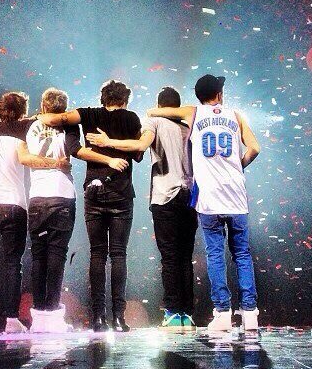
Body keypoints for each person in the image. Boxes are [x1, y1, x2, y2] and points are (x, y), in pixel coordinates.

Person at [0, 89, 129, 333]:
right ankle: (51, 314)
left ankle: (39, 313)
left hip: (37, 198)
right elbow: (75, 150)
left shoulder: (28, 125)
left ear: (43, 106)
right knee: (57, 255)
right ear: (64, 108)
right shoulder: (69, 126)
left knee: (38, 255)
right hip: (62, 195)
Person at [147, 75, 261, 340]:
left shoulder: (193, 112)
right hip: (236, 195)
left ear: (198, 96)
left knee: (215, 254)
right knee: (242, 254)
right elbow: (255, 148)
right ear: (219, 94)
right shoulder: (236, 115)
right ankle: (250, 313)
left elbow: (157, 112)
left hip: (209, 197)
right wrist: (238, 167)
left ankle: (222, 314)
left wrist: (157, 111)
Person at [86, 86, 198, 331]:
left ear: (159, 105)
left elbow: (140, 146)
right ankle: (187, 314)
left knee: (169, 257)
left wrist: (108, 142)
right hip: (189, 196)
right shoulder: (190, 125)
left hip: (165, 195)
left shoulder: (154, 121)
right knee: (185, 257)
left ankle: (172, 312)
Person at [36, 80, 142, 333]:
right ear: (125, 99)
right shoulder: (132, 118)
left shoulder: (88, 114)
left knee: (97, 254)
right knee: (119, 255)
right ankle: (119, 318)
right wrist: (117, 149)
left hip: (94, 192)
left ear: (102, 98)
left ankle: (98, 318)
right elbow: (138, 154)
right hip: (121, 193)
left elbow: (62, 130)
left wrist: (41, 115)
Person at [0, 92, 70, 335]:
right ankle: (11, 319)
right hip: (15, 205)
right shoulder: (22, 136)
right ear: (23, 112)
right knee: (13, 263)